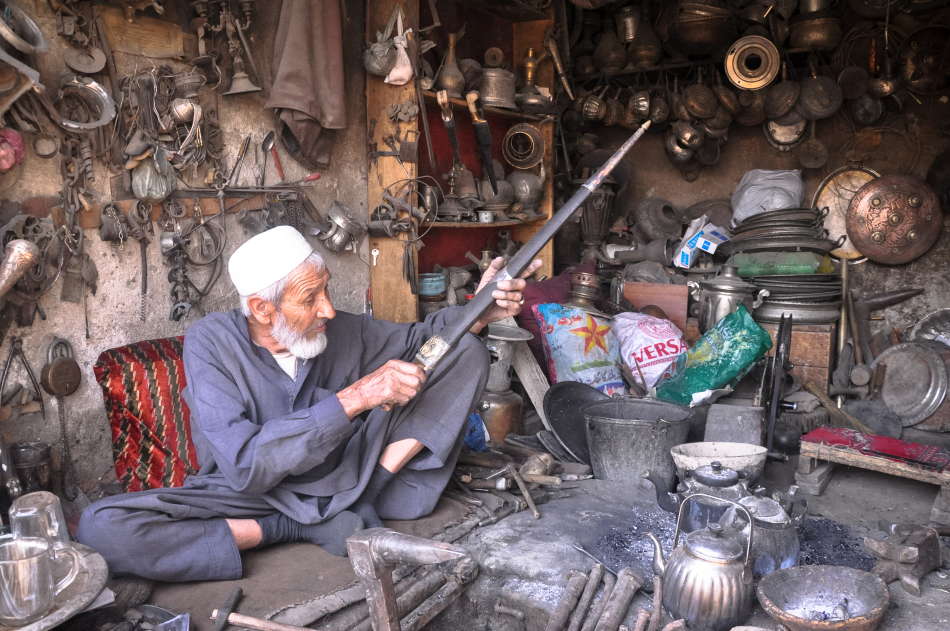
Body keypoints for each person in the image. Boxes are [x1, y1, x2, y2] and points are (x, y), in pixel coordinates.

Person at [76, 226, 541, 582]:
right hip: (249, 494)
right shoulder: (211, 343)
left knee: (465, 350)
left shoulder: (340, 330)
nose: (328, 310)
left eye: (326, 289)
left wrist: (481, 308)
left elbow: (426, 341)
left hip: (349, 477)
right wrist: (356, 398)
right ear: (262, 309)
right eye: (310, 298)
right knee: (100, 529)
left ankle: (366, 494)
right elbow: (243, 465)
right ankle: (295, 527)